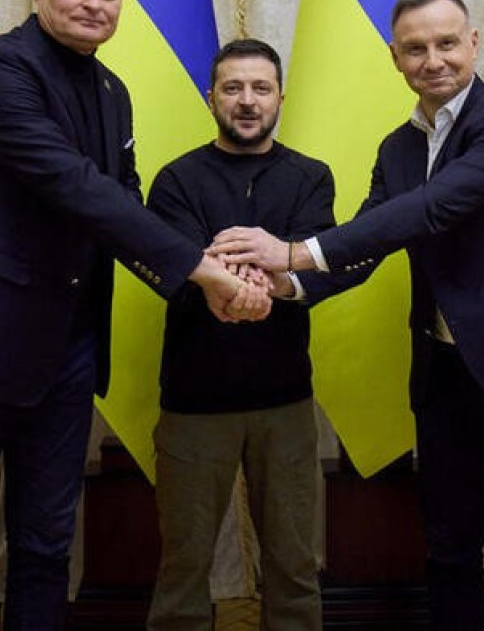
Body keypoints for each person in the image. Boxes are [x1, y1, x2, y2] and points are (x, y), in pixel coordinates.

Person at [0, 0, 269, 631]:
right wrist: (200, 270)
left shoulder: (112, 91)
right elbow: (73, 186)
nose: (95, 2)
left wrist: (204, 268)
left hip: (66, 354)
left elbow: (121, 201)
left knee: (45, 546)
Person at [210, 0, 484, 630]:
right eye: (416, 48)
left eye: (447, 43)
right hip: (446, 374)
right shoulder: (398, 149)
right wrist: (283, 288)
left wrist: (290, 252)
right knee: (449, 550)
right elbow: (367, 245)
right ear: (394, 57)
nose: (434, 60)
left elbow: (430, 209)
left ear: (473, 44)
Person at [143, 39, 334, 631]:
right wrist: (241, 280)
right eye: (233, 88)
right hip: (194, 404)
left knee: (296, 565)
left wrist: (264, 283)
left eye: (260, 88)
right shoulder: (175, 180)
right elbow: (174, 272)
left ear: (281, 97)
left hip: (286, 403)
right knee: (183, 568)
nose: (247, 101)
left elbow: (318, 266)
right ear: (211, 98)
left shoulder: (311, 177)